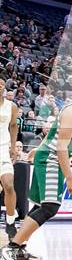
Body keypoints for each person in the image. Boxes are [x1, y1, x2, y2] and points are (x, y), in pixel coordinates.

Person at [0, 68, 72, 260]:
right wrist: (70, 178)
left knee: (39, 205)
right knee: (50, 206)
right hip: (52, 158)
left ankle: (18, 247)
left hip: (50, 155)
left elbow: (55, 132)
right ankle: (11, 247)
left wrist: (40, 145)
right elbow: (61, 147)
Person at [0, 76, 18, 240]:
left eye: (1, 83)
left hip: (3, 150)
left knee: (9, 185)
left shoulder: (11, 106)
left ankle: (11, 222)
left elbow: (13, 126)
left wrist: (13, 147)